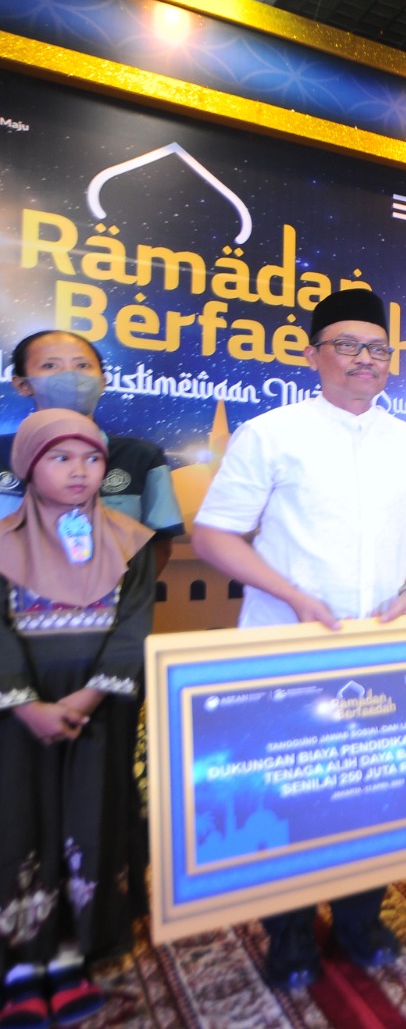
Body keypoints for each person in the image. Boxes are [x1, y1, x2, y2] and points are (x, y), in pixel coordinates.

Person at [192, 289, 406, 989]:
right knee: (290, 795)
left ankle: (361, 920)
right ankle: (290, 934)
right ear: (313, 355)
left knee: (373, 791)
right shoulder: (270, 434)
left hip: (381, 650)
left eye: (377, 347)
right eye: (347, 345)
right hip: (289, 646)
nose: (365, 359)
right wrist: (295, 596)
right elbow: (212, 535)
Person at [0, 409, 156, 1027]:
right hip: (18, 718)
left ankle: (72, 954)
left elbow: (133, 626)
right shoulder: (2, 541)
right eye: (61, 458)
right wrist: (24, 703)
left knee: (92, 820)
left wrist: (90, 696)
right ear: (27, 465)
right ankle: (21, 964)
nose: (79, 472)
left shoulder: (130, 540)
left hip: (100, 711)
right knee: (20, 823)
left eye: (92, 459)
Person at [3, 330, 184, 573]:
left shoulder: (140, 456)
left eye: (82, 365)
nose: (71, 376)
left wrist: (125, 593)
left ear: (103, 381)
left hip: (111, 596)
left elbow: (160, 545)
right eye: (50, 365)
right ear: (23, 385)